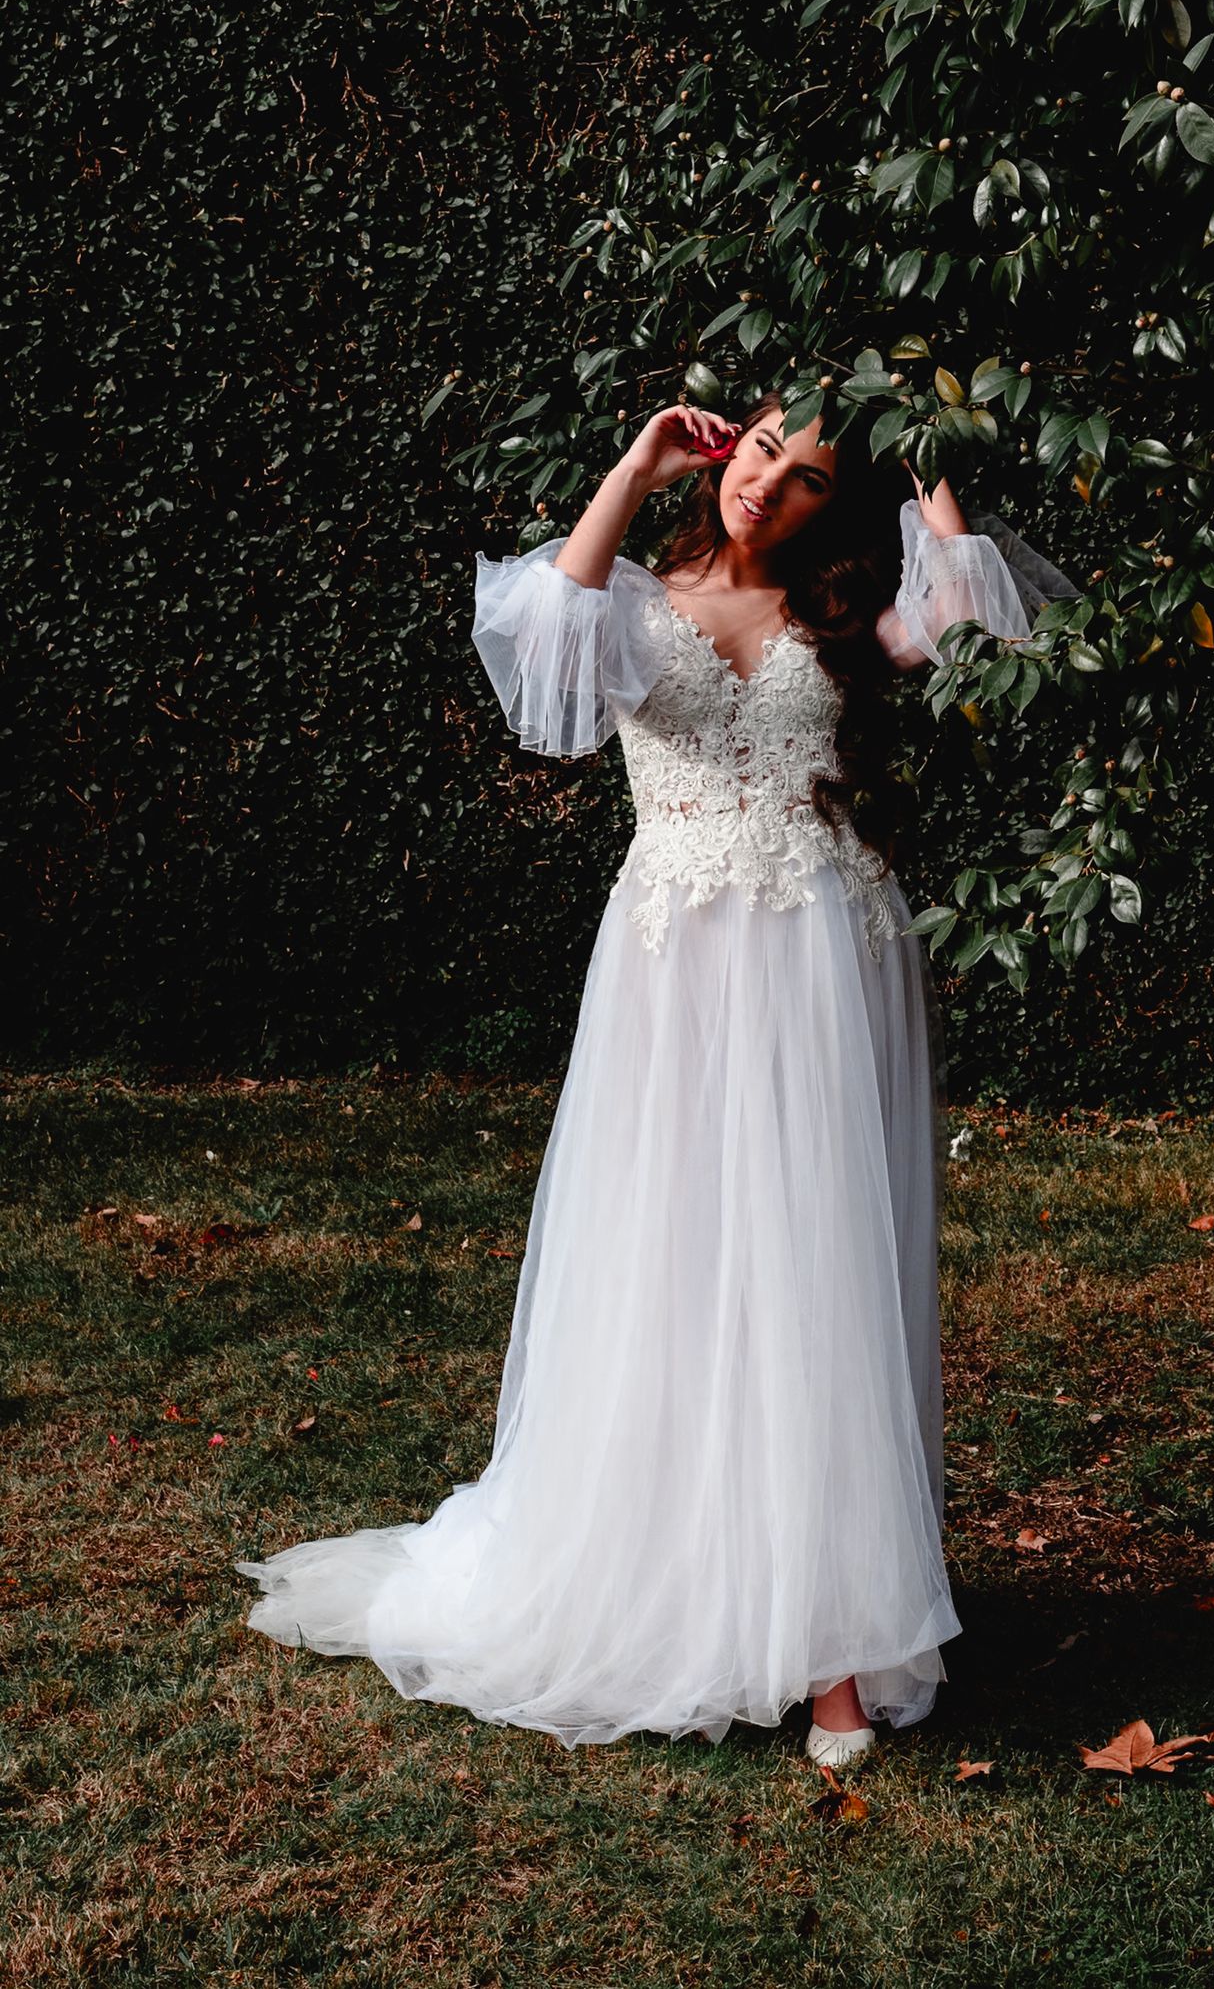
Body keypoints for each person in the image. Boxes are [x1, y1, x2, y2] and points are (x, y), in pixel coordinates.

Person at [236, 389, 1045, 1769]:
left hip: (820, 963)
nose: (770, 487)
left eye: (806, 480)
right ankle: (684, 1583)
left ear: (833, 509)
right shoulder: (629, 601)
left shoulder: (845, 616)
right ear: (727, 454)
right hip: (675, 971)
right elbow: (544, 651)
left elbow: (969, 619)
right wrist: (635, 461)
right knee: (672, 1267)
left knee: (816, 1270)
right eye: (766, 451)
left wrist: (923, 454)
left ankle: (840, 1653)